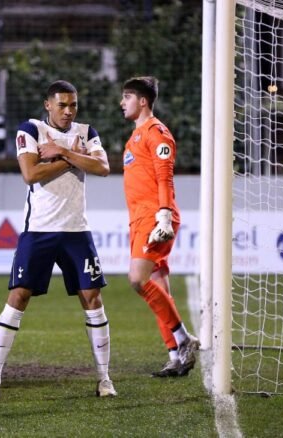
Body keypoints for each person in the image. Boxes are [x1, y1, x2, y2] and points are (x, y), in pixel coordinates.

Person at [0, 80, 115, 402]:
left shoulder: (87, 131)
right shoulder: (30, 129)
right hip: (39, 229)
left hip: (76, 230)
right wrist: (72, 158)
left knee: (92, 297)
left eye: (73, 105)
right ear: (48, 105)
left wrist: (63, 151)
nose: (69, 111)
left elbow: (103, 167)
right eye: (62, 105)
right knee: (19, 296)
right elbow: (30, 174)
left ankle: (104, 379)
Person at [119, 76, 200, 378]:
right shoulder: (135, 137)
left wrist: (163, 216)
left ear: (142, 101)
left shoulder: (157, 133)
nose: (122, 102)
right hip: (140, 218)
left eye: (127, 97)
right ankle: (175, 356)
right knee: (160, 289)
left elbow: (165, 177)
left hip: (155, 218)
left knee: (138, 280)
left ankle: (184, 340)